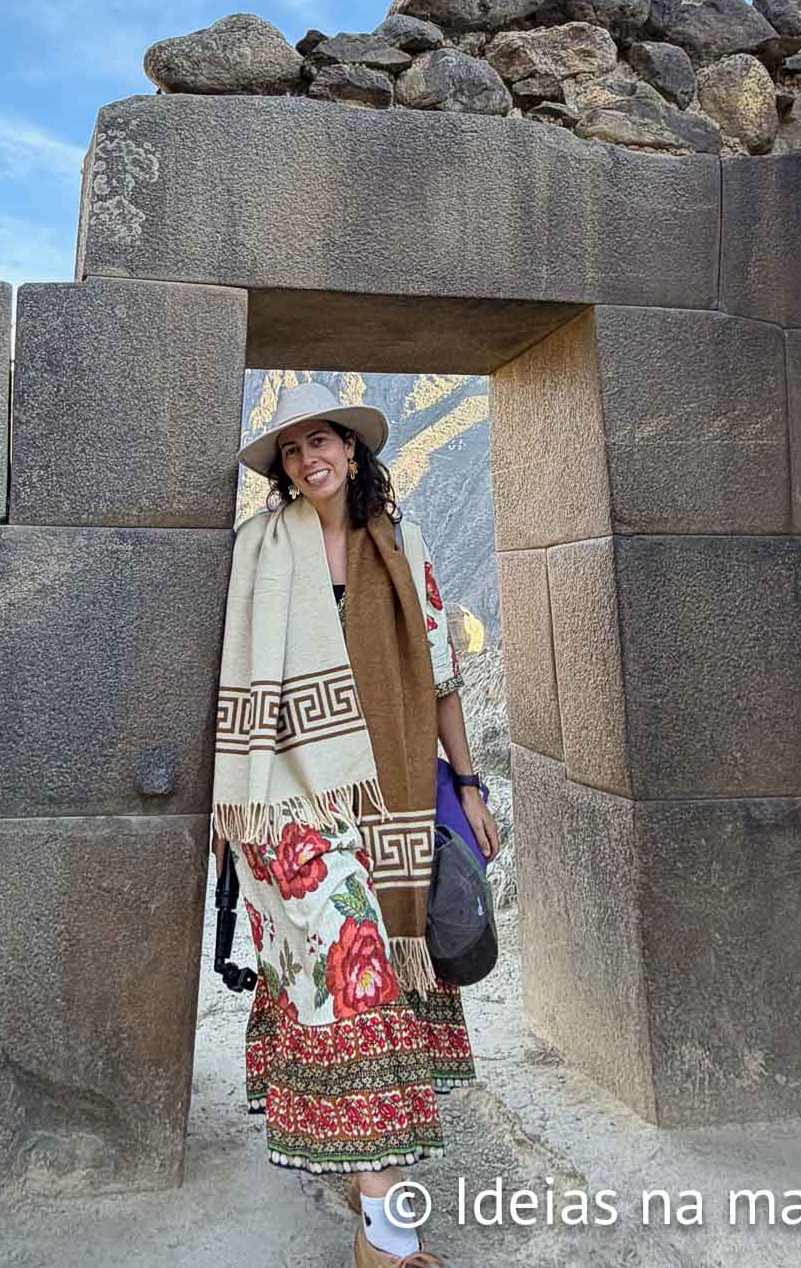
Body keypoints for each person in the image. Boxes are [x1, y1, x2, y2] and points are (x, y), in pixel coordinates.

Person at [210, 381, 500, 1268]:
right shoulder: (259, 548)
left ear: (353, 450)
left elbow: (442, 676)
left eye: (322, 442)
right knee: (354, 971)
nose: (309, 461)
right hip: (285, 798)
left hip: (390, 794)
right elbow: (234, 671)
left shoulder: (401, 547)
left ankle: (365, 1193)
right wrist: (227, 806)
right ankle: (387, 1241)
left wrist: (471, 782)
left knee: (357, 980)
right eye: (293, 451)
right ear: (284, 470)